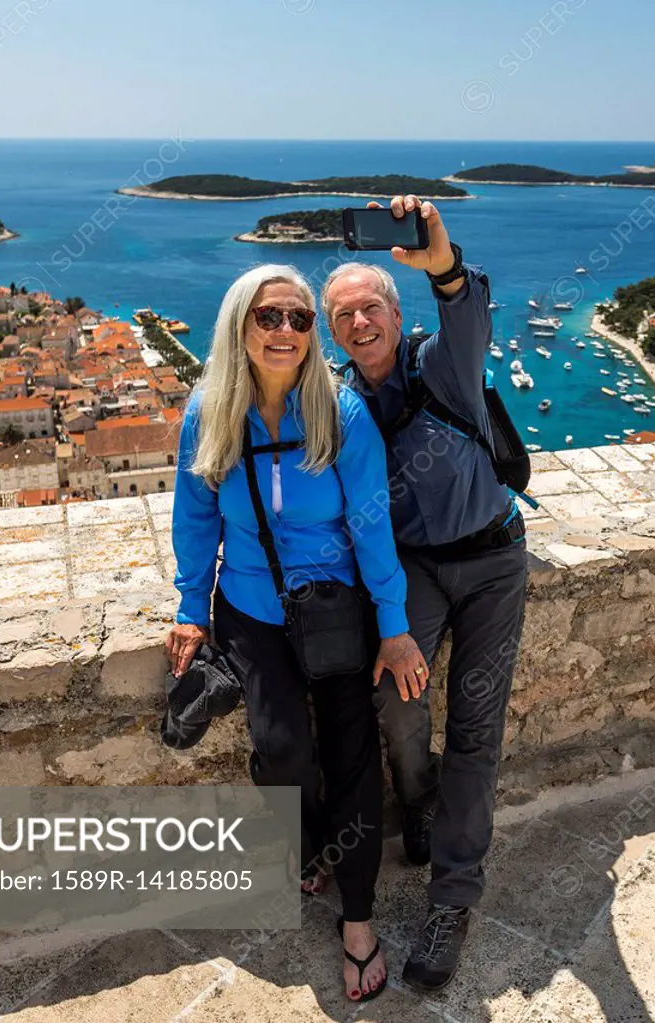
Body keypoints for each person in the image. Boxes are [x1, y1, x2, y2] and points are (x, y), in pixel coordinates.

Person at [165, 264, 428, 1003]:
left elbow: (371, 525)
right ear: (239, 325)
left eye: (299, 319)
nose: (285, 331)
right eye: (268, 316)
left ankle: (357, 920)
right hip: (250, 608)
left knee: (352, 761)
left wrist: (395, 625)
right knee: (281, 747)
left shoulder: (340, 414)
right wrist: (191, 605)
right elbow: (195, 517)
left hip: (339, 610)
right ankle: (311, 842)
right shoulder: (209, 412)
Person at [322, 196, 528, 992]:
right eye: (341, 314)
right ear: (332, 329)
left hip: (492, 561)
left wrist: (437, 254)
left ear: (393, 309)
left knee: (476, 730)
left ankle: (451, 899)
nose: (358, 322)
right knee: (397, 702)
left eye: (369, 306)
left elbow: (464, 302)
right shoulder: (340, 402)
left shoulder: (442, 361)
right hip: (411, 568)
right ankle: (417, 798)